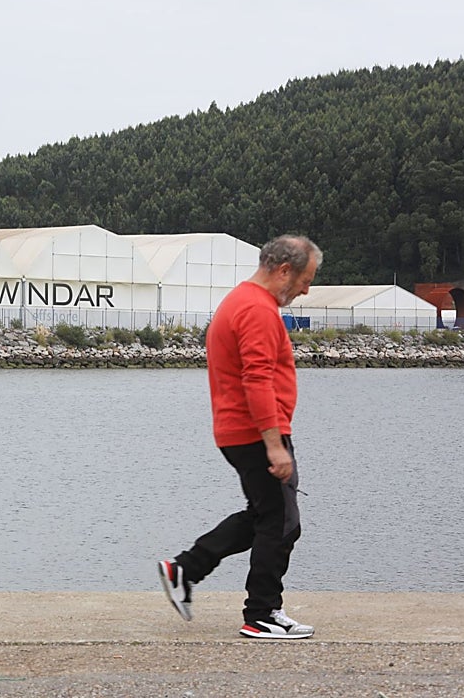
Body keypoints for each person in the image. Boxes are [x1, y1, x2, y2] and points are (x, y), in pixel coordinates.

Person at [158, 234, 322, 639]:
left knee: (265, 516)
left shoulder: (240, 300)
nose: (306, 289)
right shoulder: (257, 310)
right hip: (256, 432)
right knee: (282, 524)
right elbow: (257, 380)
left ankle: (185, 569)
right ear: (284, 270)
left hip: (239, 430)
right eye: (305, 279)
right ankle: (262, 613)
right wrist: (274, 445)